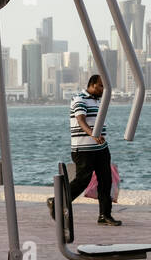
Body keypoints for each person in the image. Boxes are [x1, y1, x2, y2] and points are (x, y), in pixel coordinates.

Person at [49, 74, 119, 227]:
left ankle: (104, 215)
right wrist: (93, 135)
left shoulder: (99, 101)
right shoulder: (79, 99)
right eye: (101, 86)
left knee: (106, 181)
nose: (103, 90)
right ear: (93, 84)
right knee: (82, 181)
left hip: (101, 148)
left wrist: (98, 138)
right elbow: (81, 120)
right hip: (84, 150)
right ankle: (57, 201)